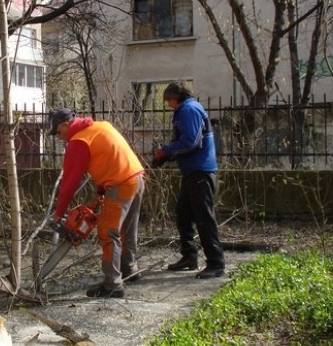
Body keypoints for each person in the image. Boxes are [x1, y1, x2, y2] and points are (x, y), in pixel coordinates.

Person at [49, 108, 145, 298]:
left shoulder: (78, 142)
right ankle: (129, 268)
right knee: (127, 228)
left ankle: (113, 284)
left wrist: (59, 213)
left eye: (58, 132)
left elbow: (70, 182)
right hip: (137, 177)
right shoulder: (100, 126)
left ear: (65, 125)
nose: (59, 138)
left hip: (121, 183)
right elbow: (111, 155)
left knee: (107, 233)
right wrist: (101, 188)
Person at [154, 81, 225, 279]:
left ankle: (216, 263)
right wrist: (167, 155)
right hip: (193, 171)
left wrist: (167, 151)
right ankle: (189, 256)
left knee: (204, 218)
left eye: (168, 101)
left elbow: (192, 141)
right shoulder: (188, 109)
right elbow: (187, 141)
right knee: (183, 214)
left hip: (200, 171)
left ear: (175, 98)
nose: (168, 105)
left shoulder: (188, 110)